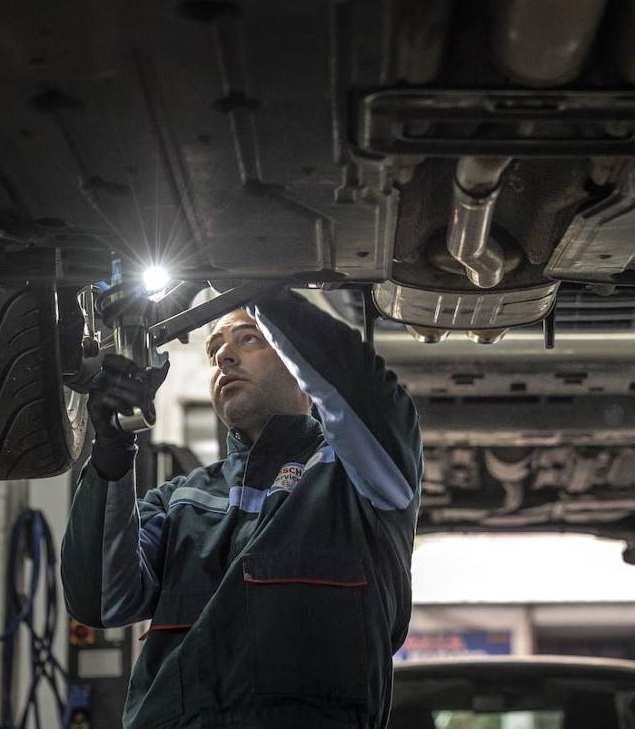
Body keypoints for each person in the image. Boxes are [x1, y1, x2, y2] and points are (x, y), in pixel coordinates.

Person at [61, 287, 422, 729]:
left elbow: (363, 388)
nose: (223, 359)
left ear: (297, 360)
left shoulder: (354, 478)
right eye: (214, 350)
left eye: (247, 338)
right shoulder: (180, 499)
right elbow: (99, 600)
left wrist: (252, 281)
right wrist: (113, 447)